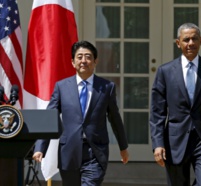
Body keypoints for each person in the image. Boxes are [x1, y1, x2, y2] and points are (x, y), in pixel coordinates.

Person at [33, 40, 129, 186]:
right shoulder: (62, 87)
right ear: (73, 62)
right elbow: (50, 117)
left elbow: (115, 118)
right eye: (79, 57)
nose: (84, 60)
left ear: (95, 61)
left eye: (88, 57)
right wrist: (41, 147)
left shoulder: (107, 87)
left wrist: (123, 147)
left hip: (95, 152)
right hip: (69, 152)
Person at [150, 23, 201, 186]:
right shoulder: (165, 71)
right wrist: (158, 144)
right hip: (175, 142)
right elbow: (157, 113)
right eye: (186, 39)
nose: (191, 43)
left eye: (194, 39)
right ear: (178, 43)